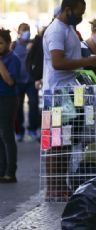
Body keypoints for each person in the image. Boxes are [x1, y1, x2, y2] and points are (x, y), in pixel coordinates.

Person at [42, 0, 96, 200]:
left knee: (66, 142)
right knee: (56, 144)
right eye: (79, 11)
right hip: (58, 95)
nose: (82, 15)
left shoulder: (68, 29)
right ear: (67, 10)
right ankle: (53, 189)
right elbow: (57, 62)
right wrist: (87, 61)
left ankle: (61, 187)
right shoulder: (56, 31)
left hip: (68, 92)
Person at [12, 23, 40, 142]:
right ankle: (19, 131)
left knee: (33, 104)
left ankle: (32, 129)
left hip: (30, 80)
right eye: (24, 30)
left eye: (28, 30)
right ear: (18, 32)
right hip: (18, 81)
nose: (26, 32)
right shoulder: (14, 45)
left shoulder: (33, 44)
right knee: (17, 107)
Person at [0, 28, 20, 183]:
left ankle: (10, 171)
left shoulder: (12, 58)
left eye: (0, 43)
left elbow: (10, 81)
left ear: (7, 43)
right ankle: (2, 169)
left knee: (7, 134)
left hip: (7, 98)